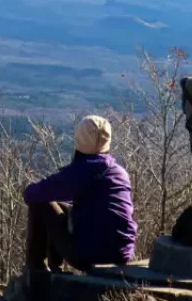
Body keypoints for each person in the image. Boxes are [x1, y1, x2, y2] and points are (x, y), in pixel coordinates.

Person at [23, 115, 138, 277]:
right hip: (122, 254)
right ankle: (55, 271)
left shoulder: (82, 171)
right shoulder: (119, 172)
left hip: (89, 256)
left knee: (41, 203)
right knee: (62, 206)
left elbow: (31, 194)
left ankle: (37, 274)